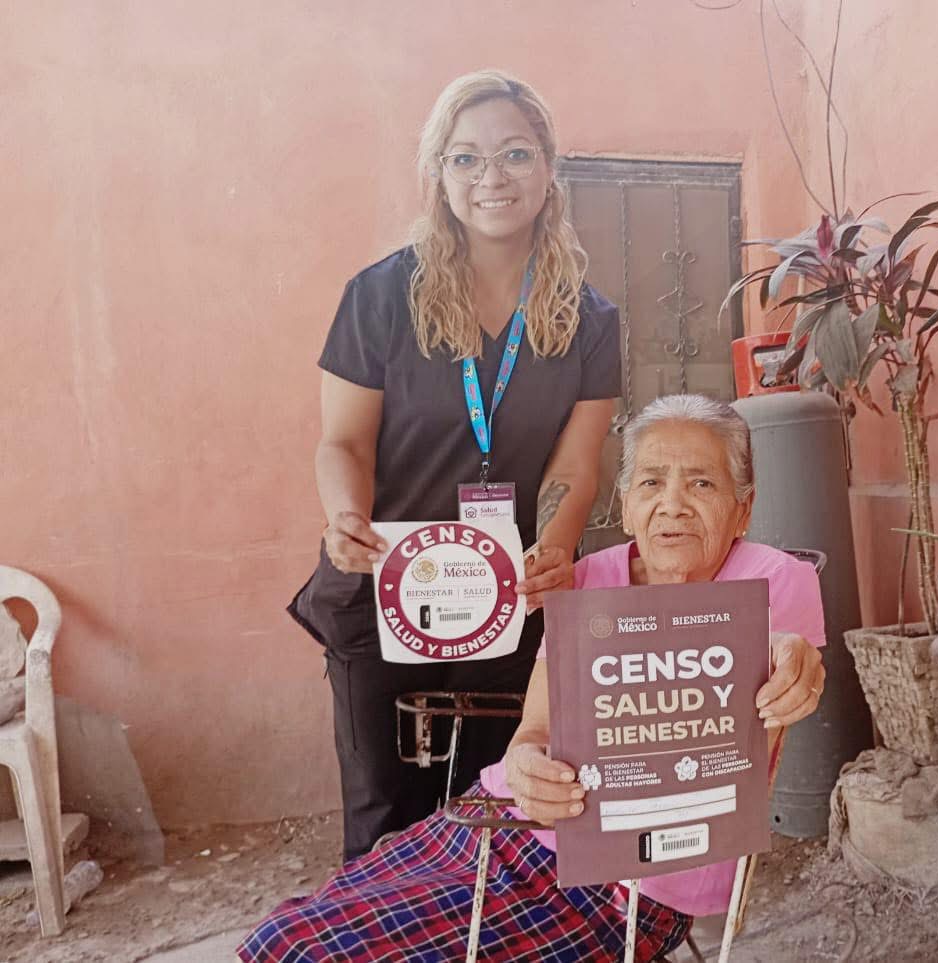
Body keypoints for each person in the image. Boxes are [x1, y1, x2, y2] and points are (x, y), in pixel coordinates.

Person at [242, 395, 827, 962]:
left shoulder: (773, 582)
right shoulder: (589, 580)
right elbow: (535, 730)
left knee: (316, 953)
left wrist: (788, 662)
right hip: (503, 821)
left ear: (743, 509)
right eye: (651, 482)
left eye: (701, 483)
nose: (672, 504)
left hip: (623, 887)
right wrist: (524, 765)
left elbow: (773, 678)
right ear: (626, 507)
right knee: (286, 935)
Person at [288, 70, 620, 862]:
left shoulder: (590, 319)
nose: (491, 176)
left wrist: (556, 546)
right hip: (384, 596)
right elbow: (344, 443)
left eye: (515, 153)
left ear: (548, 168)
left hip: (512, 604)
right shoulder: (379, 297)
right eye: (466, 157)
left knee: (501, 816)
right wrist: (345, 517)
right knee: (383, 824)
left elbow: (577, 465)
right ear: (439, 174)